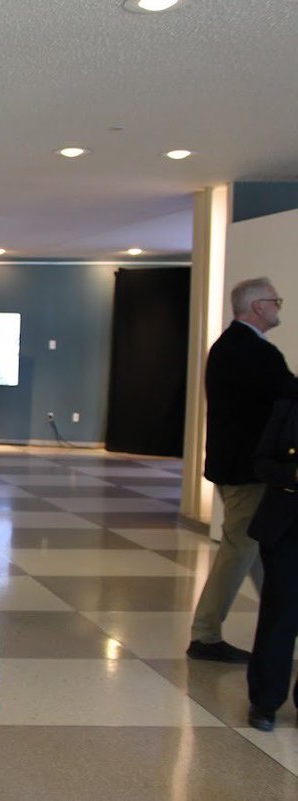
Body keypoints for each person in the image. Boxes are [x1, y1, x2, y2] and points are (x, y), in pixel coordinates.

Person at [189, 277, 296, 662]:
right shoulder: (254, 352)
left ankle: (284, 621)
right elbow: (290, 392)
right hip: (247, 472)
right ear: (257, 306)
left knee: (259, 549)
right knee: (239, 549)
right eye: (275, 301)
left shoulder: (229, 346)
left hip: (233, 466)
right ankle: (205, 634)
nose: (278, 306)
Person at [245, 396, 298, 731]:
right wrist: (293, 473)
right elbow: (261, 463)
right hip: (286, 528)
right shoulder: (288, 405)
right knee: (280, 614)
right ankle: (265, 701)